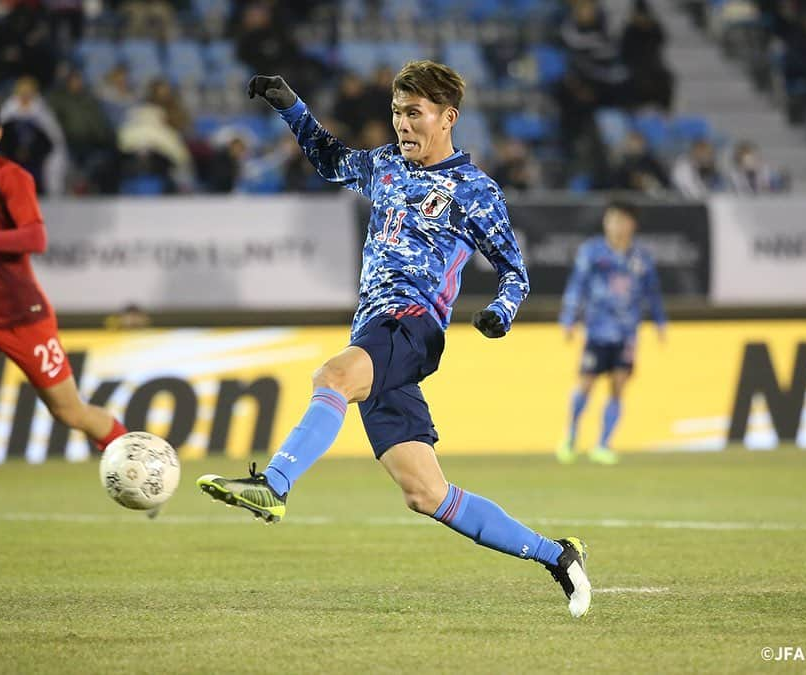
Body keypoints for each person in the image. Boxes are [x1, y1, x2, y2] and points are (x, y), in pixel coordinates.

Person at [195, 61, 591, 618]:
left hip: (412, 324)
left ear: (447, 117)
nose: (402, 125)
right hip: (374, 330)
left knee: (332, 377)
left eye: (414, 114)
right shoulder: (384, 165)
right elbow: (331, 159)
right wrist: (290, 106)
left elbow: (514, 271)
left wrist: (501, 311)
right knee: (426, 494)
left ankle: (276, 485)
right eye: (397, 113)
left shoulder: (472, 189)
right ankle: (558, 555)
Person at [0, 93, 129, 541]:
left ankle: (137, 459)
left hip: (24, 318)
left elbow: (34, 238)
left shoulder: (11, 178)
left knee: (71, 412)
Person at [557, 199, 666, 466]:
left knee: (618, 386)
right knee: (586, 383)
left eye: (621, 220)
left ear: (632, 224)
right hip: (596, 331)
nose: (616, 226)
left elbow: (652, 294)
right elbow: (577, 286)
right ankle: (570, 436)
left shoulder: (641, 259)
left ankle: (603, 444)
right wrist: (569, 318)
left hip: (627, 333)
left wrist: (661, 322)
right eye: (611, 220)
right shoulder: (593, 253)